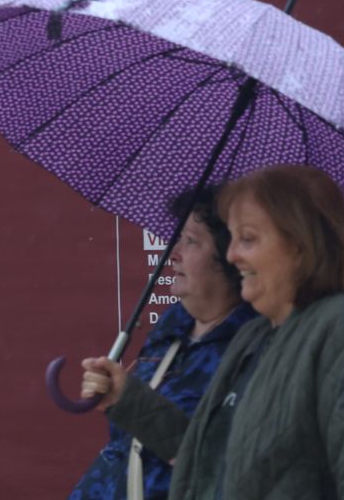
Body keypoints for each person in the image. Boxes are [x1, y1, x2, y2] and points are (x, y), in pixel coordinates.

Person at [82, 166, 344, 499]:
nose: (232, 255)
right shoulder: (254, 338)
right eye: (234, 239)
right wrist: (127, 399)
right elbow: (205, 458)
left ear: (299, 245)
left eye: (249, 238)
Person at [68, 187, 256, 500]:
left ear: (230, 257)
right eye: (177, 238)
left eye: (191, 241)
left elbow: (218, 464)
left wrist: (129, 401)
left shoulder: (252, 349)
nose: (174, 253)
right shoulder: (168, 335)